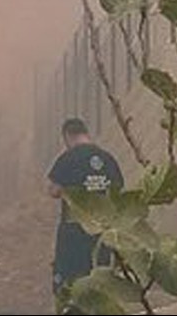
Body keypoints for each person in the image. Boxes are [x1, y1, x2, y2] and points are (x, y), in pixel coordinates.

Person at [47, 117, 124, 311]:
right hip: (101, 231)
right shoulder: (107, 158)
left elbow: (53, 191)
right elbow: (118, 190)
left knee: (70, 280)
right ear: (85, 132)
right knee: (98, 277)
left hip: (73, 230)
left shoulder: (68, 158)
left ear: (67, 136)